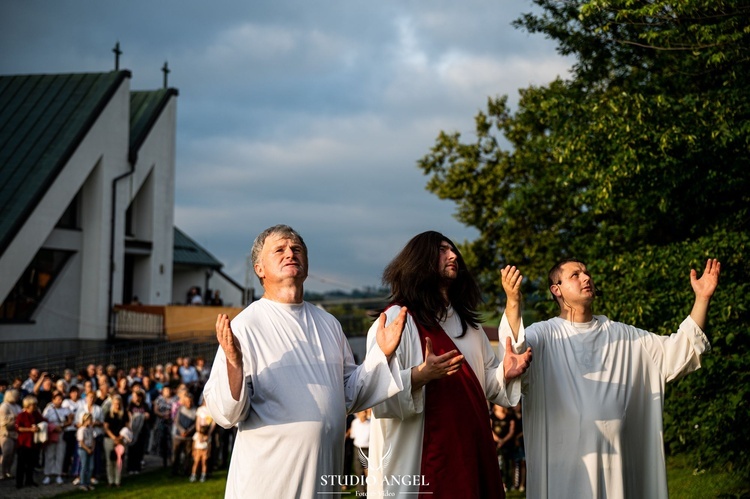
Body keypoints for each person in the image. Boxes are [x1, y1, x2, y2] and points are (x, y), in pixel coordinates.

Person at [203, 224, 408, 497]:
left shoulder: (328, 323)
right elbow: (226, 414)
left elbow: (348, 393)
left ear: (307, 265)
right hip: (268, 479)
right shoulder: (245, 327)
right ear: (259, 269)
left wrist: (382, 354)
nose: (290, 253)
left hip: (323, 472)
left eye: (296, 248)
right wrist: (234, 364)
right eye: (279, 249)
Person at [501, 258, 721, 498]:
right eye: (575, 275)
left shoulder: (623, 335)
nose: (586, 278)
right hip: (564, 470)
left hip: (619, 467)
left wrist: (702, 299)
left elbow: (680, 350)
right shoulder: (544, 335)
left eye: (586, 273)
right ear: (557, 289)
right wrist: (514, 303)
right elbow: (516, 353)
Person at [365, 231, 532, 498]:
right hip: (421, 458)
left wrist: (505, 372)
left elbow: (487, 386)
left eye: (453, 250)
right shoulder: (398, 319)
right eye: (442, 250)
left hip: (469, 448)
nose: (453, 255)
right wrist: (419, 376)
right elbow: (375, 395)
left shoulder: (469, 326)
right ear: (420, 260)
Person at [41, 390, 73, 485]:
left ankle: (58, 474)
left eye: (61, 399)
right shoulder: (48, 410)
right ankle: (48, 475)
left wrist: (62, 426)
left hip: (61, 433)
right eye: (58, 399)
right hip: (51, 433)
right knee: (49, 454)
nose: (60, 401)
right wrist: (53, 428)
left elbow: (70, 421)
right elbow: (44, 421)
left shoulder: (65, 410)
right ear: (53, 400)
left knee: (60, 454)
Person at [15, 395, 45, 489]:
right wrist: (30, 429)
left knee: (31, 463)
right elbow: (18, 428)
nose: (35, 406)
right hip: (23, 443)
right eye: (33, 404)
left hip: (33, 442)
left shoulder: (36, 414)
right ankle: (19, 482)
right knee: (21, 464)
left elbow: (43, 421)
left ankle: (29, 480)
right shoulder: (21, 415)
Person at [103, 394, 130, 487]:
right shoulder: (108, 414)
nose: (117, 406)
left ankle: (117, 480)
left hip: (121, 439)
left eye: (118, 404)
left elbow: (127, 426)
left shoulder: (124, 414)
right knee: (110, 461)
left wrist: (120, 438)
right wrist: (114, 438)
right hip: (109, 439)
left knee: (119, 460)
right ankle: (110, 481)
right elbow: (106, 428)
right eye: (115, 404)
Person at [347, 409, 371, 494]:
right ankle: (360, 492)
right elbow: (353, 435)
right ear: (359, 414)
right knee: (358, 470)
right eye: (362, 412)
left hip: (368, 449)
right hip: (357, 448)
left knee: (368, 471)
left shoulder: (370, 423)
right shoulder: (355, 423)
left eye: (365, 412)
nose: (364, 414)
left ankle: (369, 490)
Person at [0, 388, 22, 480]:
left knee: (12, 454)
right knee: (6, 453)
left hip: (15, 432)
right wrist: (14, 416)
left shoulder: (17, 406)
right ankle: (1, 472)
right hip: (6, 433)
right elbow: (3, 419)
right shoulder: (4, 406)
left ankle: (8, 471)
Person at [76, 413, 95, 491]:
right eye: (89, 419)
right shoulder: (81, 429)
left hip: (90, 448)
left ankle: (88, 482)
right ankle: (82, 483)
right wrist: (87, 449)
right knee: (84, 466)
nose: (90, 421)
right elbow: (81, 442)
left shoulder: (91, 428)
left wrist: (92, 448)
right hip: (83, 449)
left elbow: (93, 439)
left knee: (91, 466)